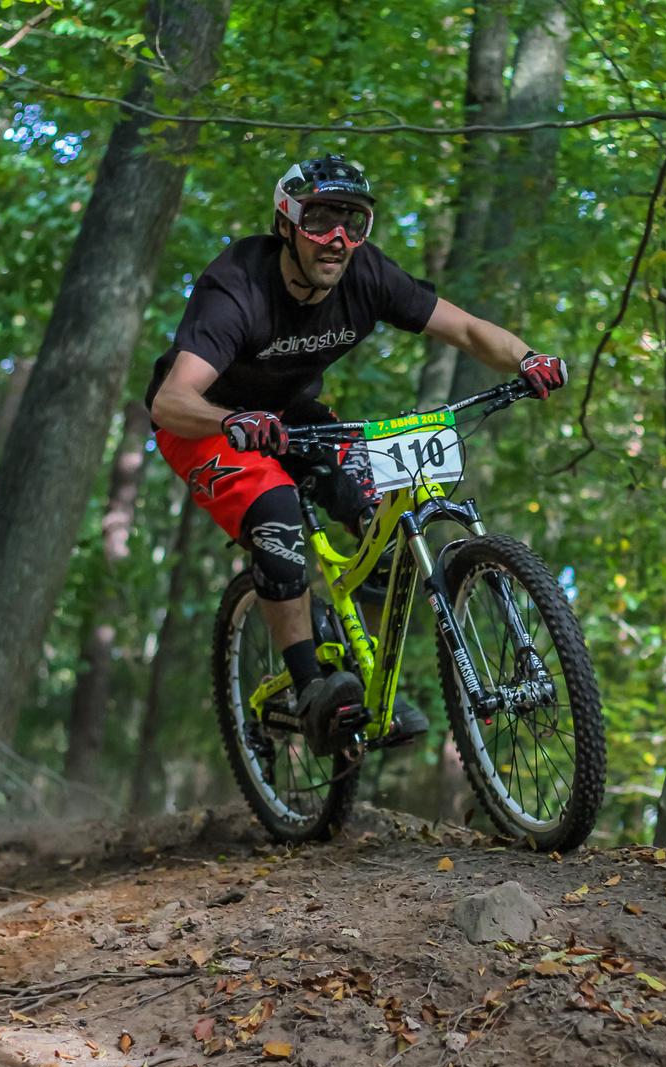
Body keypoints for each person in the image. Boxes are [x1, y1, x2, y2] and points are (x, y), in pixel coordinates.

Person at [146, 153, 567, 754]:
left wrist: (528, 358)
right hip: (206, 422)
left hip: (294, 416)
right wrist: (234, 419)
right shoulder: (236, 285)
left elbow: (470, 329)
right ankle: (310, 685)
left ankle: (369, 684)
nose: (339, 239)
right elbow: (171, 399)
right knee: (276, 512)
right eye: (321, 221)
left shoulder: (368, 275)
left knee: (381, 505)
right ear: (287, 222)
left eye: (355, 223)